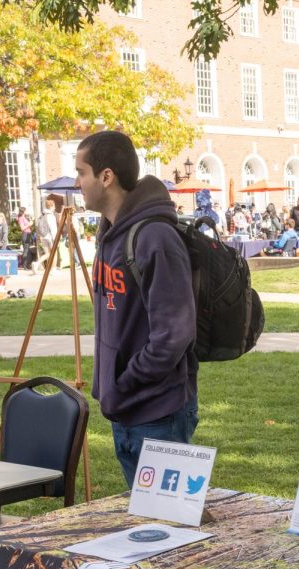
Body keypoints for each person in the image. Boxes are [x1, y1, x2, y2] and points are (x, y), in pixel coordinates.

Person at [75, 130, 198, 486]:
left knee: (171, 531)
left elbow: (174, 335)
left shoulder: (155, 238)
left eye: (82, 172)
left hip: (158, 412)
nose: (77, 182)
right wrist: (114, 388)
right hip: (125, 409)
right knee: (144, 527)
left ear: (106, 176)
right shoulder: (110, 234)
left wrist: (126, 380)